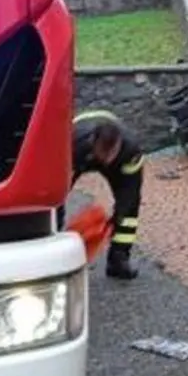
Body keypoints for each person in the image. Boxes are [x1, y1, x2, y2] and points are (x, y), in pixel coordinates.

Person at [71, 110, 145, 279]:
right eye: (103, 153)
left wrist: (116, 219)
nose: (107, 160)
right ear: (93, 142)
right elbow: (56, 188)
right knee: (54, 201)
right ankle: (56, 254)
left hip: (120, 161)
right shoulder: (73, 144)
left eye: (111, 153)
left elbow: (130, 193)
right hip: (80, 148)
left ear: (119, 144)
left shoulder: (131, 151)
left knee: (129, 211)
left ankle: (118, 260)